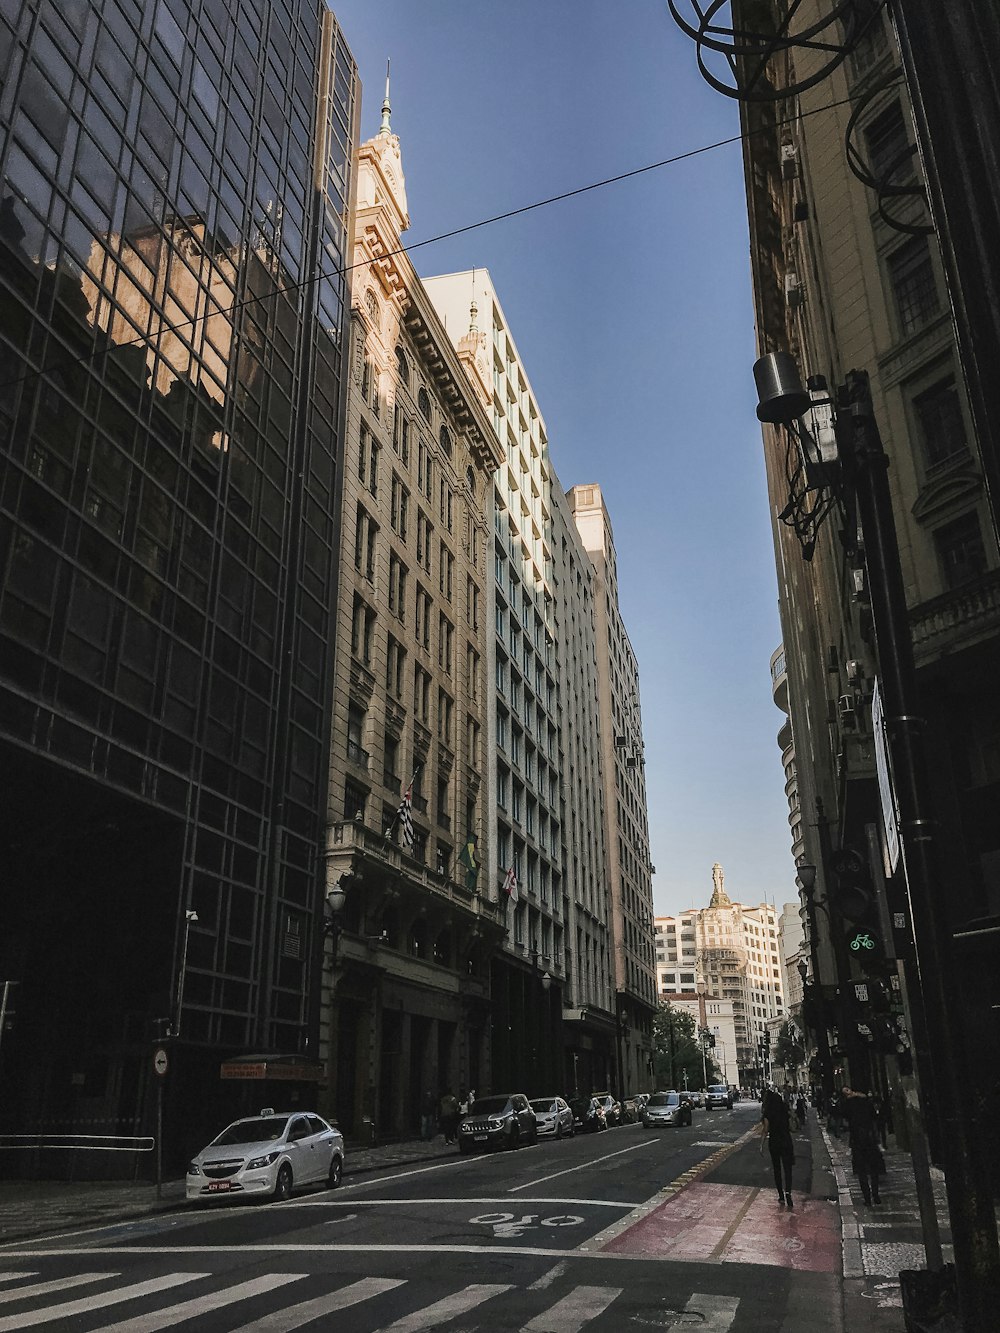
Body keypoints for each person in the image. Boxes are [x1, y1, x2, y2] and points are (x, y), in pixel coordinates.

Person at [842, 1085, 885, 1207]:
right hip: (869, 1139)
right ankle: (875, 1195)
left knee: (862, 1171)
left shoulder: (849, 1104)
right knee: (873, 1169)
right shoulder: (866, 1103)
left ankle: (867, 1198)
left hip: (857, 1141)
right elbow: (874, 1119)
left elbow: (845, 1117)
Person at [760, 1087, 795, 1207]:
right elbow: (792, 1126)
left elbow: (765, 1130)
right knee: (788, 1168)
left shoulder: (768, 1113)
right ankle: (788, 1192)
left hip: (774, 1142)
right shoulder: (785, 1109)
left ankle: (780, 1194)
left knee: (777, 1169)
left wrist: (761, 1145)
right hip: (786, 1140)